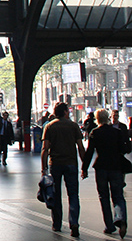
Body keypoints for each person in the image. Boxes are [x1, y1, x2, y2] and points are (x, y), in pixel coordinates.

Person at [82, 108, 131, 238]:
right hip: (116, 167)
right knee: (118, 196)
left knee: (104, 196)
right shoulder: (116, 132)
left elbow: (90, 152)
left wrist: (84, 169)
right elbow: (124, 148)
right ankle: (121, 219)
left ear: (97, 119)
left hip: (101, 167)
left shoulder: (95, 133)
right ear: (108, 117)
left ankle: (109, 226)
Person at [41, 101, 85, 237]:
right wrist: (84, 165)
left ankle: (57, 224)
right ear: (66, 112)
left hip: (55, 164)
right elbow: (80, 146)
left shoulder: (49, 126)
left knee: (56, 194)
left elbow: (45, 149)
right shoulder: (73, 126)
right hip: (71, 163)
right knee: (73, 194)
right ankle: (74, 223)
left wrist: (44, 168)